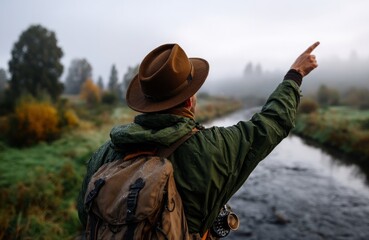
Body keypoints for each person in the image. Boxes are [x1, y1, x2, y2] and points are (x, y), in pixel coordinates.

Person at [77, 42, 319, 239]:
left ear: (146, 104)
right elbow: (271, 124)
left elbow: (85, 216)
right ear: (190, 100)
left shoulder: (104, 154)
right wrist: (294, 75)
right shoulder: (214, 148)